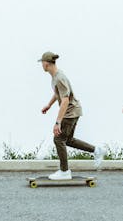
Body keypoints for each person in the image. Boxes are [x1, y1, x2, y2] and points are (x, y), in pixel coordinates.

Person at [39, 52, 105, 180]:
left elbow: (65, 100)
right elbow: (58, 93)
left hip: (70, 112)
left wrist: (58, 122)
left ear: (46, 63)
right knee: (67, 140)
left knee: (58, 139)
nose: (41, 65)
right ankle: (97, 150)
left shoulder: (59, 77)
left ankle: (64, 171)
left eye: (42, 62)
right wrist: (49, 105)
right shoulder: (56, 76)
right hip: (73, 111)